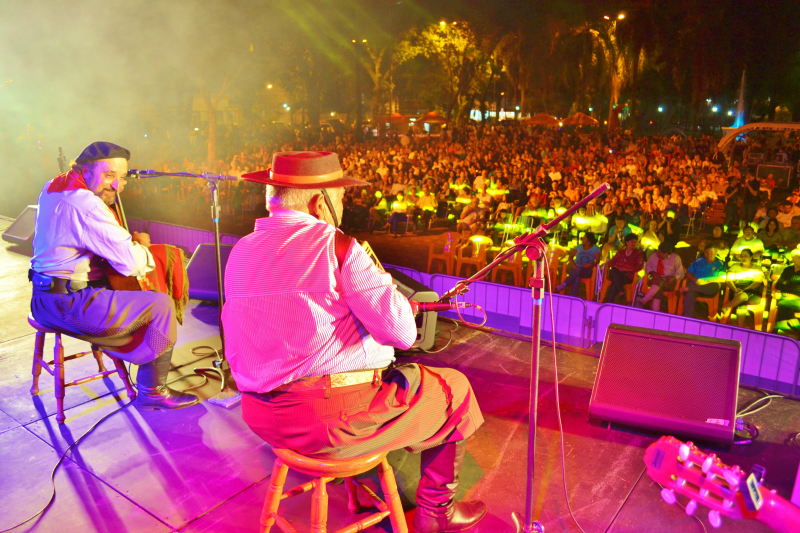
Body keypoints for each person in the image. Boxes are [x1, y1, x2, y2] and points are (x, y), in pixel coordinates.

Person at [224, 152, 486, 533]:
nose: (344, 206)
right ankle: (437, 516)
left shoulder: (241, 251)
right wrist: (399, 309)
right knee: (455, 390)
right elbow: (402, 334)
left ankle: (368, 491)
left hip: (259, 417)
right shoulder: (337, 247)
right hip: (325, 424)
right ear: (319, 202)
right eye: (341, 197)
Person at [29, 141, 198, 411]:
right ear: (84, 169)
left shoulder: (53, 186)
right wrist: (142, 246)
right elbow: (131, 264)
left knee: (126, 296)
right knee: (160, 305)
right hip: (68, 306)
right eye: (109, 176)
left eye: (122, 178)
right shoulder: (87, 205)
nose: (117, 186)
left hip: (42, 299)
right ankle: (153, 390)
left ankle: (130, 353)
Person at [717, 248, 765, 322]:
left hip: (753, 292)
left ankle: (727, 307)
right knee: (742, 302)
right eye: (742, 256)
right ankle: (740, 327)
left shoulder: (757, 268)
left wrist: (744, 291)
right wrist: (735, 289)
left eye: (746, 256)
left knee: (743, 295)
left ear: (751, 257)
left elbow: (757, 283)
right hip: (736, 291)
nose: (743, 257)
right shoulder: (735, 266)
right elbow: (729, 280)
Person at [636, 242, 684, 311]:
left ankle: (646, 300)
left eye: (660, 252)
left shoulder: (675, 258)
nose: (657, 253)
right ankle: (655, 310)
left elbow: (681, 273)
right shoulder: (654, 255)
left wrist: (674, 278)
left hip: (669, 282)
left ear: (666, 253)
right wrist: (652, 273)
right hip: (656, 279)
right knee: (658, 286)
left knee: (659, 282)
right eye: (658, 251)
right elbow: (647, 266)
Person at [681, 245, 725, 318]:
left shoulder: (721, 263)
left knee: (717, 285)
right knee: (689, 295)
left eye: (711, 252)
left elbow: (722, 279)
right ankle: (687, 318)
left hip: (709, 288)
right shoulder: (698, 261)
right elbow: (688, 273)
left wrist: (706, 282)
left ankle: (687, 288)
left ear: (716, 253)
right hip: (696, 284)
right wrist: (695, 279)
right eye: (706, 252)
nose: (708, 254)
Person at [555, 233, 600, 297]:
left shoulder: (595, 248)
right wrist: (573, 266)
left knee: (577, 273)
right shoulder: (579, 247)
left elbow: (597, 261)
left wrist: (590, 264)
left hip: (586, 270)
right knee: (577, 277)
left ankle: (564, 284)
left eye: (584, 238)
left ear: (589, 240)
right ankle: (573, 297)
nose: (582, 240)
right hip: (575, 268)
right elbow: (570, 257)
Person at [603, 233, 644, 303]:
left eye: (635, 242)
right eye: (632, 241)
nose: (634, 243)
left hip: (627, 275)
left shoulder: (638, 253)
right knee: (613, 270)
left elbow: (639, 266)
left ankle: (608, 302)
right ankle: (620, 291)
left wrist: (626, 269)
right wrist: (618, 267)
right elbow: (611, 262)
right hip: (617, 272)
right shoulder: (621, 252)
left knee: (614, 283)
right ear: (627, 242)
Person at [773, 249, 800, 335]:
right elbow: (778, 285)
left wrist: (786, 283)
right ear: (793, 259)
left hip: (797, 300)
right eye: (799, 257)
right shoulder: (787, 270)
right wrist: (792, 284)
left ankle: (775, 331)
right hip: (785, 296)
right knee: (784, 304)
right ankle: (797, 328)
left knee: (782, 304)